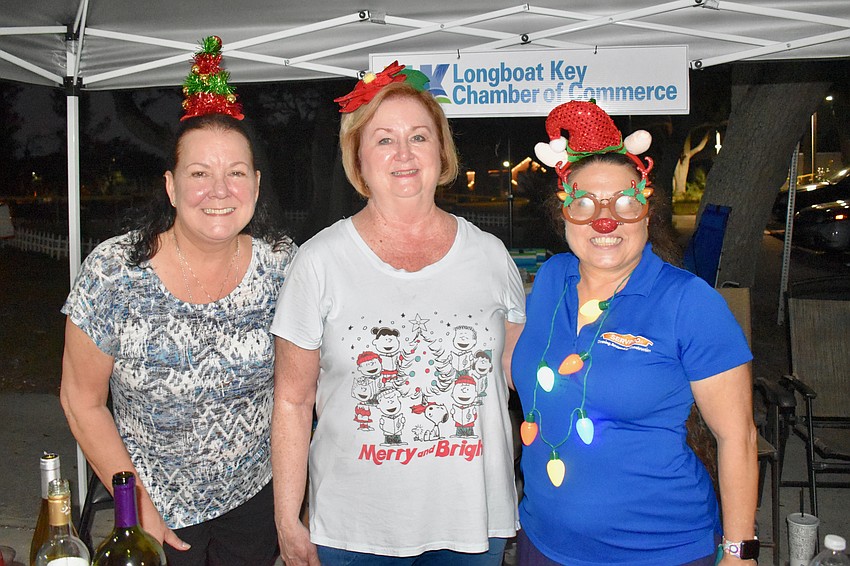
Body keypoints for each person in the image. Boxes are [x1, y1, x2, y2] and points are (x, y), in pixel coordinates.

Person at [270, 61, 526, 566]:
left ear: (442, 152)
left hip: (471, 523)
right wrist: (286, 518)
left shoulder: (491, 255)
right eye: (384, 139)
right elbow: (293, 402)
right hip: (354, 529)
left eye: (419, 137)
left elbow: (521, 377)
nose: (404, 154)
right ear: (359, 159)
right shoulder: (318, 261)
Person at [60, 36, 295, 566]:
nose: (219, 189)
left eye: (235, 172)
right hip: (152, 509)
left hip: (256, 503)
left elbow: (310, 385)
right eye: (199, 173)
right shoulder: (114, 271)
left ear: (255, 185)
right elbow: (81, 400)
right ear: (170, 186)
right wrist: (135, 504)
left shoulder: (285, 265)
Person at [512, 100, 758, 565]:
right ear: (563, 213)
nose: (606, 220)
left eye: (626, 202)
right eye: (584, 203)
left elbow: (738, 437)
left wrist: (739, 552)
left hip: (659, 549)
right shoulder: (549, 280)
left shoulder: (689, 302)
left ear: (647, 212)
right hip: (543, 542)